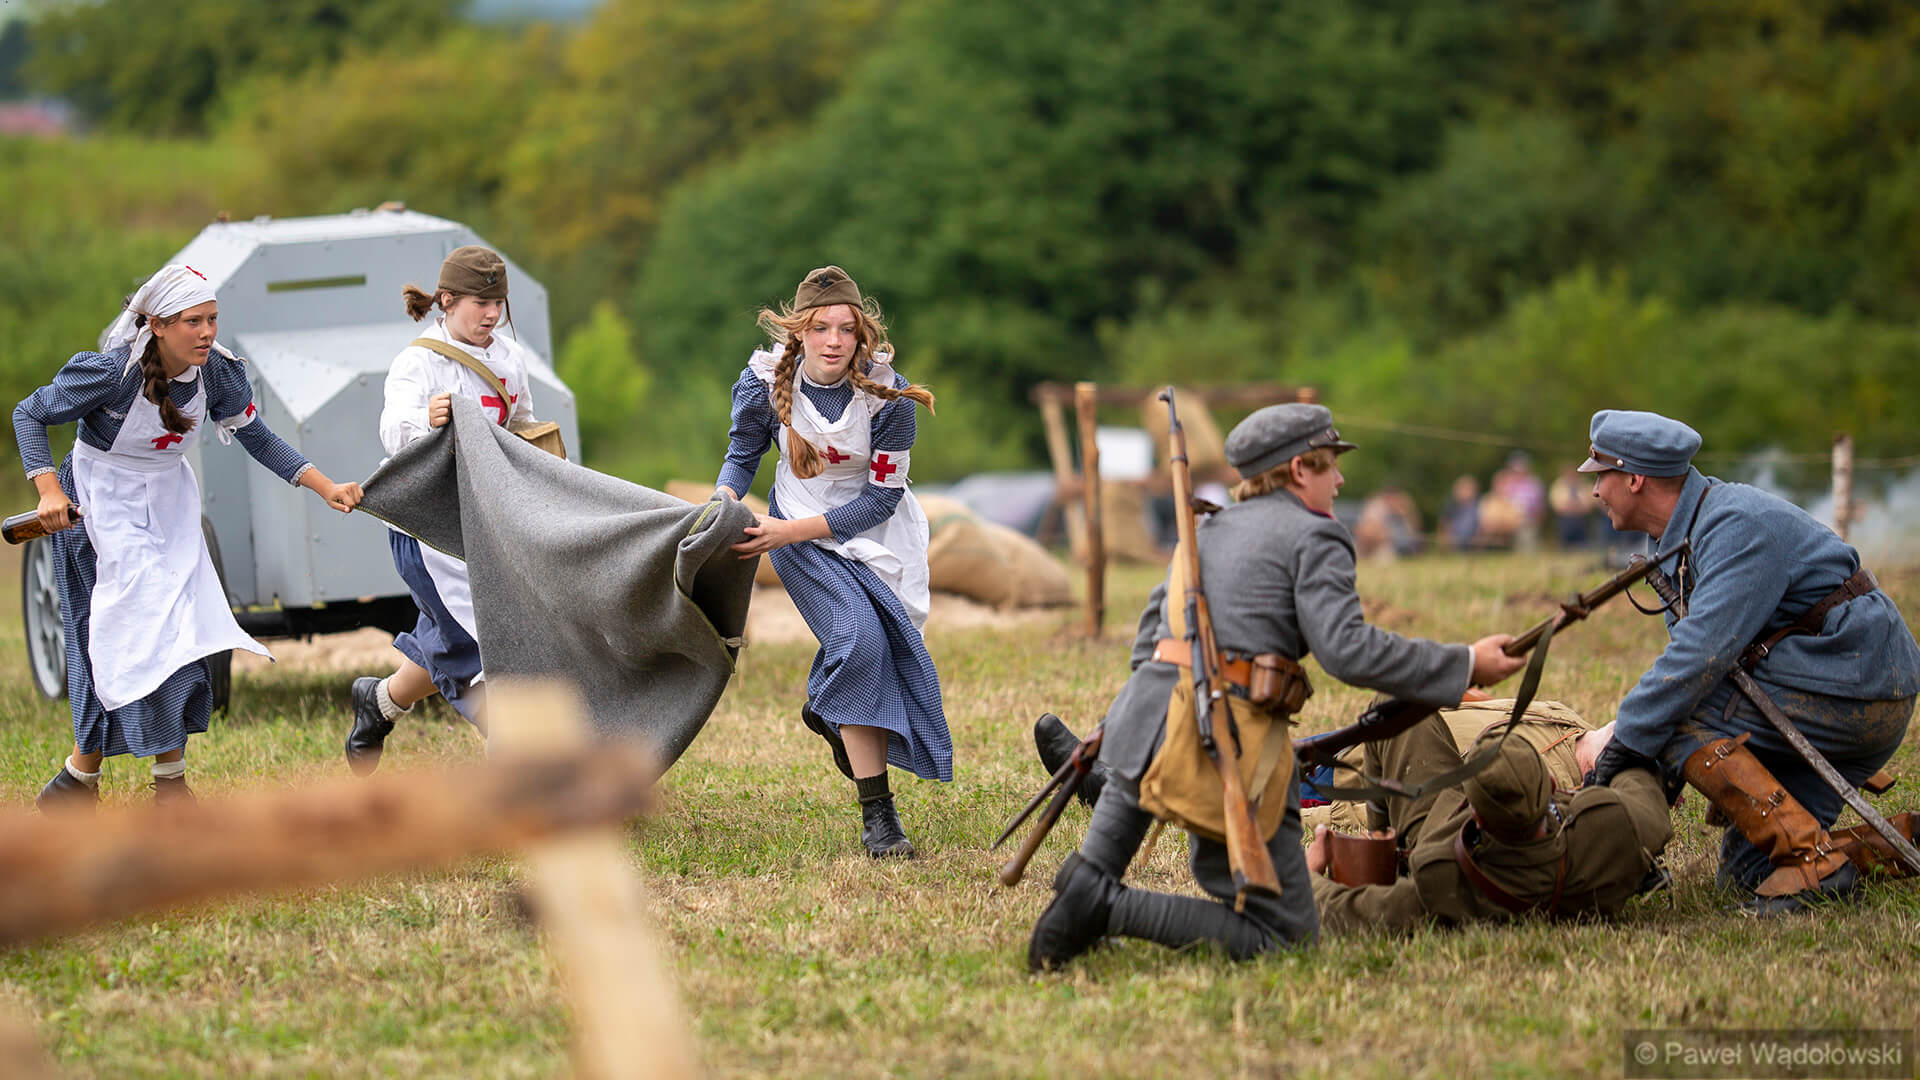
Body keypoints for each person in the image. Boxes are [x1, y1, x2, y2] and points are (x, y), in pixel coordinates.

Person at [1026, 403, 1528, 971]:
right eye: (1329, 465)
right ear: (1297, 470)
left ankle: (1073, 919)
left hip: (1143, 724)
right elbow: (1347, 649)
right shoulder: (1317, 536)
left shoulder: (1206, 526)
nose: (1340, 480)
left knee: (1090, 873)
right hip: (1226, 744)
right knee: (1288, 937)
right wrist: (1464, 663)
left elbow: (1150, 632)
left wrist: (1150, 704)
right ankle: (1108, 909)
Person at [18, 264, 363, 811]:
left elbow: (258, 438)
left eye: (213, 320)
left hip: (170, 506)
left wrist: (324, 486)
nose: (207, 333)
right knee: (110, 640)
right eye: (193, 322)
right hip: (100, 508)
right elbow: (29, 414)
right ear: (156, 324)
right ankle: (94, 778)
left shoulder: (219, 376)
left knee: (181, 631)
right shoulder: (111, 375)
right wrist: (46, 491)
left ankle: (128, 785)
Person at [1577, 409, 1920, 914]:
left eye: (1600, 475)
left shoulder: (1736, 528)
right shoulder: (1681, 535)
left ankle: (1814, 862)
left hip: (1860, 688)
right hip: (1831, 684)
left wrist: (1625, 745)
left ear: (1634, 479)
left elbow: (1697, 662)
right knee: (1746, 880)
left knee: (1680, 716)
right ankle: (1898, 842)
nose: (1594, 491)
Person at [714, 266, 950, 858]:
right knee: (859, 641)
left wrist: (790, 530)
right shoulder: (763, 382)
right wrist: (721, 501)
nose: (834, 341)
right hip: (798, 535)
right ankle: (881, 819)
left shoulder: (890, 396)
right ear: (801, 333)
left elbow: (882, 498)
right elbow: (743, 454)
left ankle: (827, 705)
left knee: (885, 650)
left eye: (846, 328)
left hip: (876, 533)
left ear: (861, 333)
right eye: (821, 328)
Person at [345, 246, 544, 773]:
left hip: (486, 523)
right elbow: (393, 432)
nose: (491, 314)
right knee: (472, 641)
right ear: (448, 301)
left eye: (498, 302)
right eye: (479, 302)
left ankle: (381, 702)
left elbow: (522, 428)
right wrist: (428, 422)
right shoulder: (418, 361)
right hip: (427, 530)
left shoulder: (509, 357)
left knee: (458, 630)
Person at [1306, 713, 1673, 934]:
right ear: (1554, 785)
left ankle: (1383, 837)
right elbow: (1645, 793)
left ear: (1475, 812)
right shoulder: (1614, 831)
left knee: (1391, 718)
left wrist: (1307, 872)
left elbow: (1346, 915)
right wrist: (1616, 759)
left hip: (1438, 833)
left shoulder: (1442, 881)